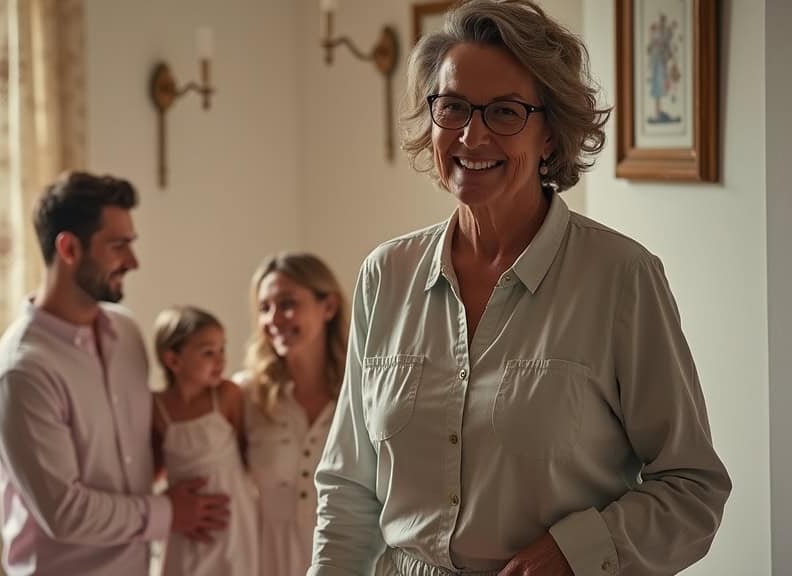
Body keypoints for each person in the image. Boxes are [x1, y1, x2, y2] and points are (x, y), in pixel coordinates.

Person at [310, 2, 732, 575]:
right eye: (453, 107)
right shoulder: (386, 275)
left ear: (552, 137)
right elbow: (348, 489)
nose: (471, 134)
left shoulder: (621, 279)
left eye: (505, 112)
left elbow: (692, 490)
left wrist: (578, 551)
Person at [0, 171, 229, 575]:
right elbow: (65, 512)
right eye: (118, 246)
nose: (133, 262)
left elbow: (139, 449)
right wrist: (170, 512)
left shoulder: (128, 333)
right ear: (69, 248)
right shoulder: (23, 372)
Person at [235, 252, 348, 576]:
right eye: (264, 308)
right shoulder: (245, 395)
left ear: (328, 306)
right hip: (265, 565)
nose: (273, 319)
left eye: (287, 304)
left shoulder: (360, 395)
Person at [151, 306, 259, 576]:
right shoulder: (157, 408)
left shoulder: (226, 396)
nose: (220, 360)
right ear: (173, 360)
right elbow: (153, 468)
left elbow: (249, 452)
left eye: (222, 349)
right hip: (186, 522)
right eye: (208, 352)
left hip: (231, 517)